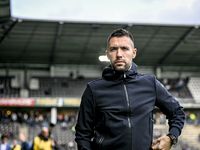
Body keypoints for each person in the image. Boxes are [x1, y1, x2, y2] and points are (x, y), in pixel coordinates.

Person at [75, 28, 185, 150]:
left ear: (134, 53)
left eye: (124, 48)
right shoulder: (93, 89)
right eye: (113, 49)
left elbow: (177, 112)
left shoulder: (150, 84)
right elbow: (82, 135)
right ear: (107, 54)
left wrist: (171, 137)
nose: (119, 54)